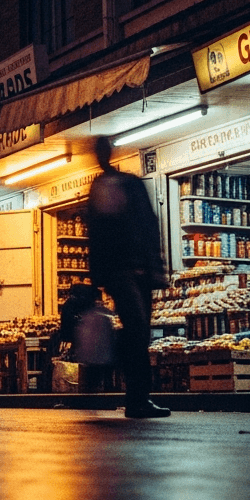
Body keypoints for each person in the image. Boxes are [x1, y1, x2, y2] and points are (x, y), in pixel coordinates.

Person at [88, 135, 171, 419]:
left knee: (140, 332)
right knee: (136, 328)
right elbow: (100, 235)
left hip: (138, 272)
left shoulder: (123, 185)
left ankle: (118, 372)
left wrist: (155, 270)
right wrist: (98, 276)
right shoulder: (111, 186)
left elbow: (147, 226)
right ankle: (136, 398)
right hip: (123, 273)